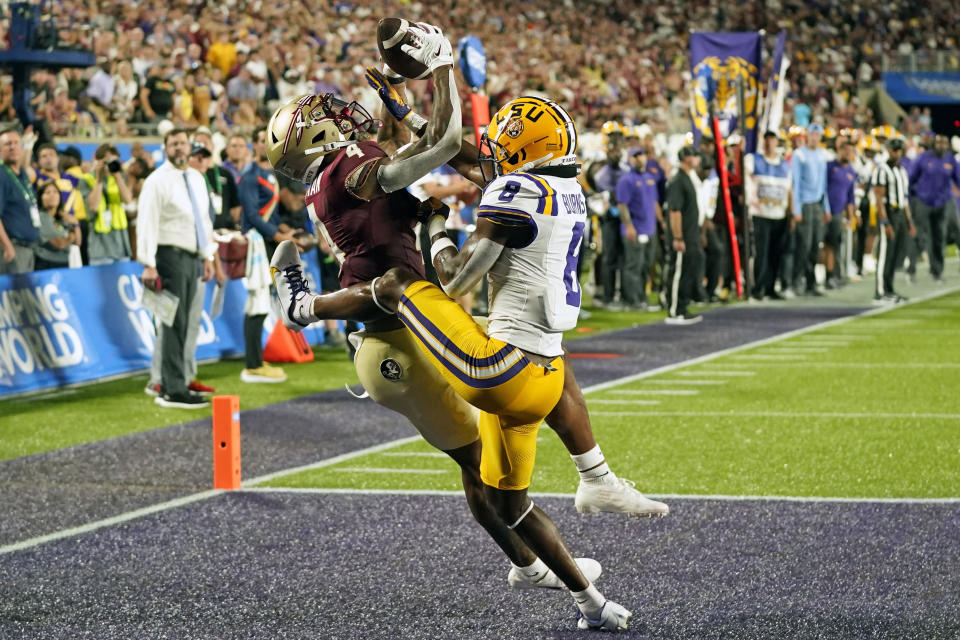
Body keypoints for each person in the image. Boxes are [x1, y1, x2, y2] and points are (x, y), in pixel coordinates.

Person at [267, 34, 639, 632]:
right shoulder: (349, 176)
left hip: (407, 330)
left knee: (485, 458)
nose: (342, 113)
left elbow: (434, 148)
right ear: (311, 137)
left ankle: (534, 555)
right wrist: (440, 68)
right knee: (486, 471)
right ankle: (303, 306)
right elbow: (440, 147)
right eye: (325, 115)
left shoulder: (345, 168)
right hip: (394, 343)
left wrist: (407, 108)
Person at [137, 128, 217, 409]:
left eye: (183, 143)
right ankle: (171, 388)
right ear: (165, 148)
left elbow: (203, 222)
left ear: (190, 146)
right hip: (168, 256)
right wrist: (148, 264)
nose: (179, 148)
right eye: (174, 144)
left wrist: (207, 256)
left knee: (185, 322)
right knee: (173, 322)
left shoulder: (196, 178)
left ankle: (178, 382)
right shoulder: (156, 181)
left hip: (192, 257)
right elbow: (146, 222)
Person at [237, 126, 295, 383]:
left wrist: (283, 228)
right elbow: (250, 215)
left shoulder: (269, 174)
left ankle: (256, 361)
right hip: (256, 244)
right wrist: (278, 234)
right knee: (256, 303)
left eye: (267, 140)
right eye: (260, 141)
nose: (264, 144)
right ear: (254, 146)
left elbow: (269, 212)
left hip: (267, 240)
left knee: (260, 302)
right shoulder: (250, 175)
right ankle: (253, 364)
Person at [744, 131, 792, 300]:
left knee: (775, 253)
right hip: (760, 214)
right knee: (761, 253)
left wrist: (790, 213)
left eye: (772, 140)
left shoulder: (785, 165)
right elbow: (744, 176)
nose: (769, 143)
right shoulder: (754, 160)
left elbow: (789, 190)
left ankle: (771, 287)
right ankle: (757, 287)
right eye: (767, 140)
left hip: (779, 214)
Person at [908, 134, 960, 282]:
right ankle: (910, 269)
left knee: (939, 238)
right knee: (919, 236)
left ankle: (936, 272)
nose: (941, 145)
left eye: (943, 143)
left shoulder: (950, 159)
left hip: (942, 204)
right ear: (934, 144)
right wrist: (913, 198)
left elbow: (958, 179)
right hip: (923, 202)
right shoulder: (923, 158)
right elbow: (911, 178)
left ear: (947, 145)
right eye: (938, 142)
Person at [870, 137, 916, 304]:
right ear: (888, 150)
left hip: (900, 214)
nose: (895, 153)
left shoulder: (901, 171)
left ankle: (889, 289)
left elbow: (905, 199)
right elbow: (879, 199)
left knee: (894, 254)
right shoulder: (882, 170)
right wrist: (885, 222)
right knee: (884, 254)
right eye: (893, 150)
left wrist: (909, 221)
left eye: (898, 150)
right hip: (889, 212)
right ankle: (880, 292)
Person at [616, 147, 660, 309]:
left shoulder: (650, 177)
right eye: (635, 156)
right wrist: (629, 227)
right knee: (634, 266)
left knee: (646, 266)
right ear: (630, 159)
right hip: (635, 229)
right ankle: (632, 300)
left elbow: (654, 203)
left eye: (641, 155)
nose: (639, 158)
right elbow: (622, 205)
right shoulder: (626, 180)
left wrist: (660, 222)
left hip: (650, 229)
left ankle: (642, 298)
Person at [663, 145, 704, 324]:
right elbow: (675, 211)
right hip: (682, 237)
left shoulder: (687, 178)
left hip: (690, 235)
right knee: (678, 273)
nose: (698, 159)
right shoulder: (678, 180)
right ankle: (674, 310)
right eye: (694, 156)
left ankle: (682, 306)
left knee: (686, 272)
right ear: (687, 158)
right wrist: (678, 237)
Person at [791, 122, 831, 296]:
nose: (814, 138)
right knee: (804, 244)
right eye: (812, 134)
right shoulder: (799, 155)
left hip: (817, 204)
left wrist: (826, 207)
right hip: (805, 204)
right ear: (807, 136)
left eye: (817, 135)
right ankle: (797, 280)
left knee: (816, 245)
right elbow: (795, 183)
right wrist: (796, 209)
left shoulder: (822, 155)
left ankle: (811, 282)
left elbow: (823, 184)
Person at [86, 143, 134, 265]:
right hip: (100, 246)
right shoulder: (87, 180)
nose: (109, 165)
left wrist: (117, 175)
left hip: (120, 243)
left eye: (113, 161)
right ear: (98, 161)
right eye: (106, 162)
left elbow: (128, 200)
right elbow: (93, 206)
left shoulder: (119, 178)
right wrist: (99, 179)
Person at [0, 128, 39, 274]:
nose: (12, 146)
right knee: (19, 296)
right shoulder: (2, 175)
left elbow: (24, 166)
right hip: (13, 248)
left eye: (16, 143)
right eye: (7, 144)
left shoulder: (21, 174)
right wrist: (7, 245)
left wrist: (29, 145)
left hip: (28, 249)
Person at [825, 140, 858, 289]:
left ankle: (833, 276)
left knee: (835, 245)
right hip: (825, 212)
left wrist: (851, 216)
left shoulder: (851, 172)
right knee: (824, 245)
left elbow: (850, 197)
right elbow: (822, 188)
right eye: (846, 150)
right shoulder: (830, 167)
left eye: (851, 151)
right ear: (839, 150)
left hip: (839, 213)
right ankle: (825, 277)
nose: (848, 154)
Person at [32, 180, 80, 270]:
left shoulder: (60, 220)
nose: (52, 195)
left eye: (55, 192)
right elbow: (59, 244)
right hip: (47, 265)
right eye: (47, 192)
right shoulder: (41, 217)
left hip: (63, 264)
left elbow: (78, 242)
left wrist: (76, 224)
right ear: (40, 198)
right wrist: (71, 236)